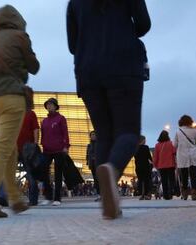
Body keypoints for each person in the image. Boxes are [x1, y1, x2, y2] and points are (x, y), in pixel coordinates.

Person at [66, 0, 151, 219]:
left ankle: (107, 198)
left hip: (88, 71)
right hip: (123, 65)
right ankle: (111, 171)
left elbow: (72, 45)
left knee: (103, 135)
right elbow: (144, 24)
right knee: (128, 132)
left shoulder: (74, 3)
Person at [0, 5, 40, 218]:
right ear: (17, 21)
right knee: (3, 149)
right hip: (11, 98)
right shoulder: (20, 37)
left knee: (10, 150)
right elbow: (34, 67)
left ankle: (14, 199)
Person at [40, 98, 70, 206]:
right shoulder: (44, 121)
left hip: (59, 150)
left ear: (56, 106)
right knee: (43, 171)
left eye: (51, 104)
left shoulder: (61, 119)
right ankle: (48, 196)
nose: (49, 106)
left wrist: (66, 146)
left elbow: (65, 133)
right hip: (47, 150)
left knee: (58, 174)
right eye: (47, 104)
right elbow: (43, 135)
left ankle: (57, 198)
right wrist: (43, 145)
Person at [173, 115, 196, 201]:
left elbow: (174, 144)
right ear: (190, 121)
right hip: (193, 154)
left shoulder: (178, 131)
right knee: (194, 175)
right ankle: (194, 193)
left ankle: (185, 193)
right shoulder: (194, 130)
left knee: (184, 175)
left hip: (182, 155)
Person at [153, 130, 176, 200]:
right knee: (171, 179)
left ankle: (165, 195)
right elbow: (174, 153)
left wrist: (155, 165)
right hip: (171, 165)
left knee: (164, 180)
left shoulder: (157, 145)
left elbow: (156, 156)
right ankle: (171, 193)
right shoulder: (171, 143)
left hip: (161, 166)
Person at [134, 135, 153, 200]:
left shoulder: (135, 148)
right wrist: (153, 162)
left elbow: (135, 157)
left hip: (138, 167)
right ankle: (146, 194)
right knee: (146, 180)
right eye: (145, 140)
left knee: (140, 180)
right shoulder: (146, 147)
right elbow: (149, 157)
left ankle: (141, 194)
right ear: (142, 140)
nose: (145, 141)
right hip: (145, 166)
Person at [86, 131, 100, 201]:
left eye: (94, 134)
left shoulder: (100, 144)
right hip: (92, 164)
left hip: (99, 164)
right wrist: (88, 163)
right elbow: (87, 155)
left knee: (100, 179)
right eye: (92, 135)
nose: (93, 136)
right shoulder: (89, 145)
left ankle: (103, 194)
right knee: (95, 179)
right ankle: (99, 194)